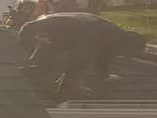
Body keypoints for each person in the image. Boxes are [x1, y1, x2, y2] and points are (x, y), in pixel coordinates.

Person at [18, 12, 147, 98]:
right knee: (76, 60)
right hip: (37, 32)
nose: (125, 57)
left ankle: (27, 79)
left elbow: (102, 61)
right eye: (128, 54)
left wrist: (105, 76)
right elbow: (81, 60)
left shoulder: (110, 34)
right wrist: (72, 83)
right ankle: (68, 88)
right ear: (127, 45)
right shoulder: (105, 36)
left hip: (36, 29)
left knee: (47, 68)